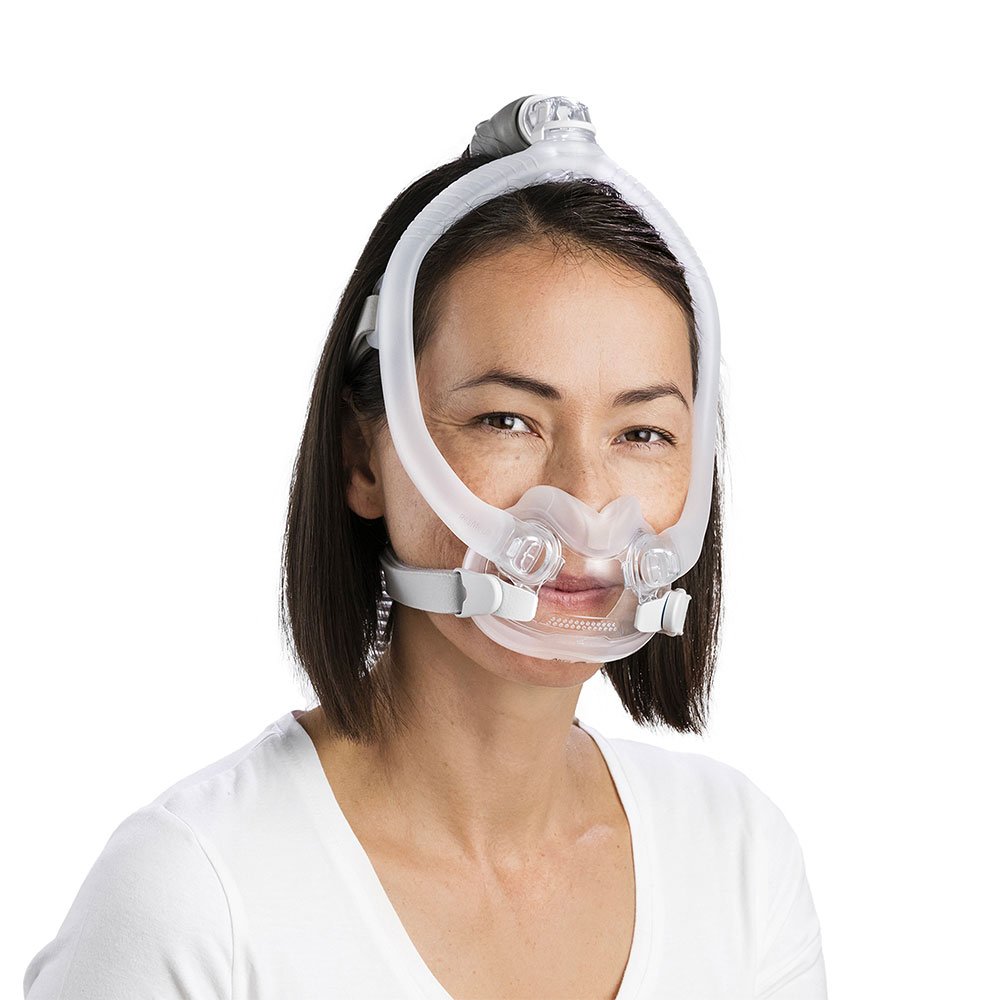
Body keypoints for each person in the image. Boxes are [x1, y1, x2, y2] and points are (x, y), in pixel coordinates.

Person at [23, 99, 827, 999]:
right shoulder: (199, 894)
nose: (586, 501)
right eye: (507, 420)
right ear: (365, 459)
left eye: (641, 433)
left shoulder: (738, 861)